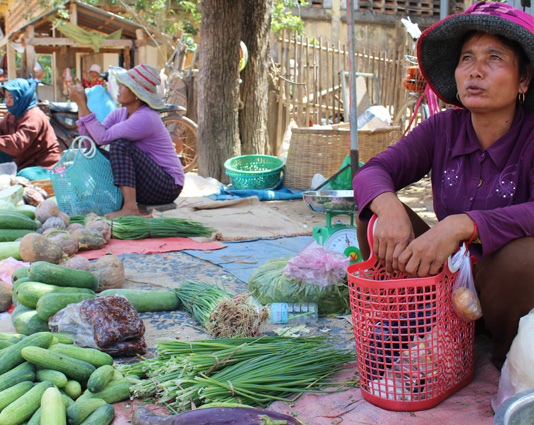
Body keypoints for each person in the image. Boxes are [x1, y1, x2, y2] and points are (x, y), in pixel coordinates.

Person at [352, 1, 534, 370]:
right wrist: (387, 207)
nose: (475, 71)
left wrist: (463, 223)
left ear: (524, 80)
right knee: (373, 219)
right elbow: (373, 171)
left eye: (494, 58)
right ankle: (414, 323)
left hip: (510, 291)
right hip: (446, 280)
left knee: (525, 256)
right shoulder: (442, 129)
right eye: (467, 58)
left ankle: (509, 356)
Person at [67, 64, 184, 219]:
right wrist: (81, 105)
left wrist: (83, 104)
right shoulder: (119, 114)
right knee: (91, 155)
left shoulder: (146, 117)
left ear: (137, 93)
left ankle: (130, 207)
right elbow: (90, 144)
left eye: (124, 86)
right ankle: (123, 203)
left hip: (168, 186)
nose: (119, 88)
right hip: (146, 182)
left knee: (120, 145)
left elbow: (103, 137)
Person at [0, 78, 62, 178]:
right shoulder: (13, 115)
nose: (6, 101)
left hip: (45, 167)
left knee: (25, 176)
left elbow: (17, 145)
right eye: (6, 97)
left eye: (11, 97)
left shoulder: (34, 116)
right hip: (24, 164)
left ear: (22, 97)